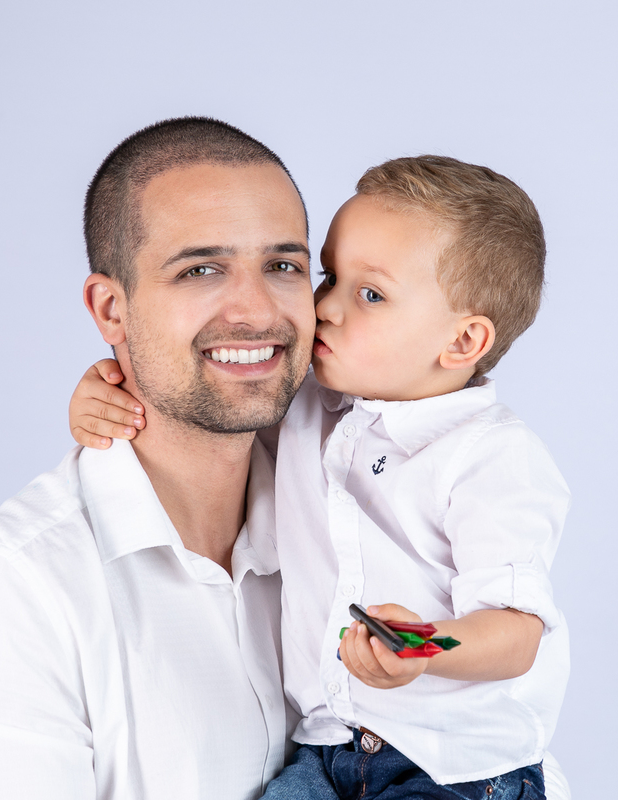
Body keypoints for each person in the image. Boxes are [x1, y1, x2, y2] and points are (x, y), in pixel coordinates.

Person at [70, 155, 571, 800]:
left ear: (463, 342)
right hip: (326, 749)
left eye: (370, 294)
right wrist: (107, 385)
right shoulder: (310, 408)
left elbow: (515, 631)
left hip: (452, 767)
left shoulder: (490, 456)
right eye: (328, 277)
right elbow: (208, 403)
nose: (324, 307)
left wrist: (424, 645)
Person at [0, 117, 317, 800]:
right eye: (201, 269)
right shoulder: (8, 597)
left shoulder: (354, 516)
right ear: (111, 310)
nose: (257, 310)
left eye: (283, 266)